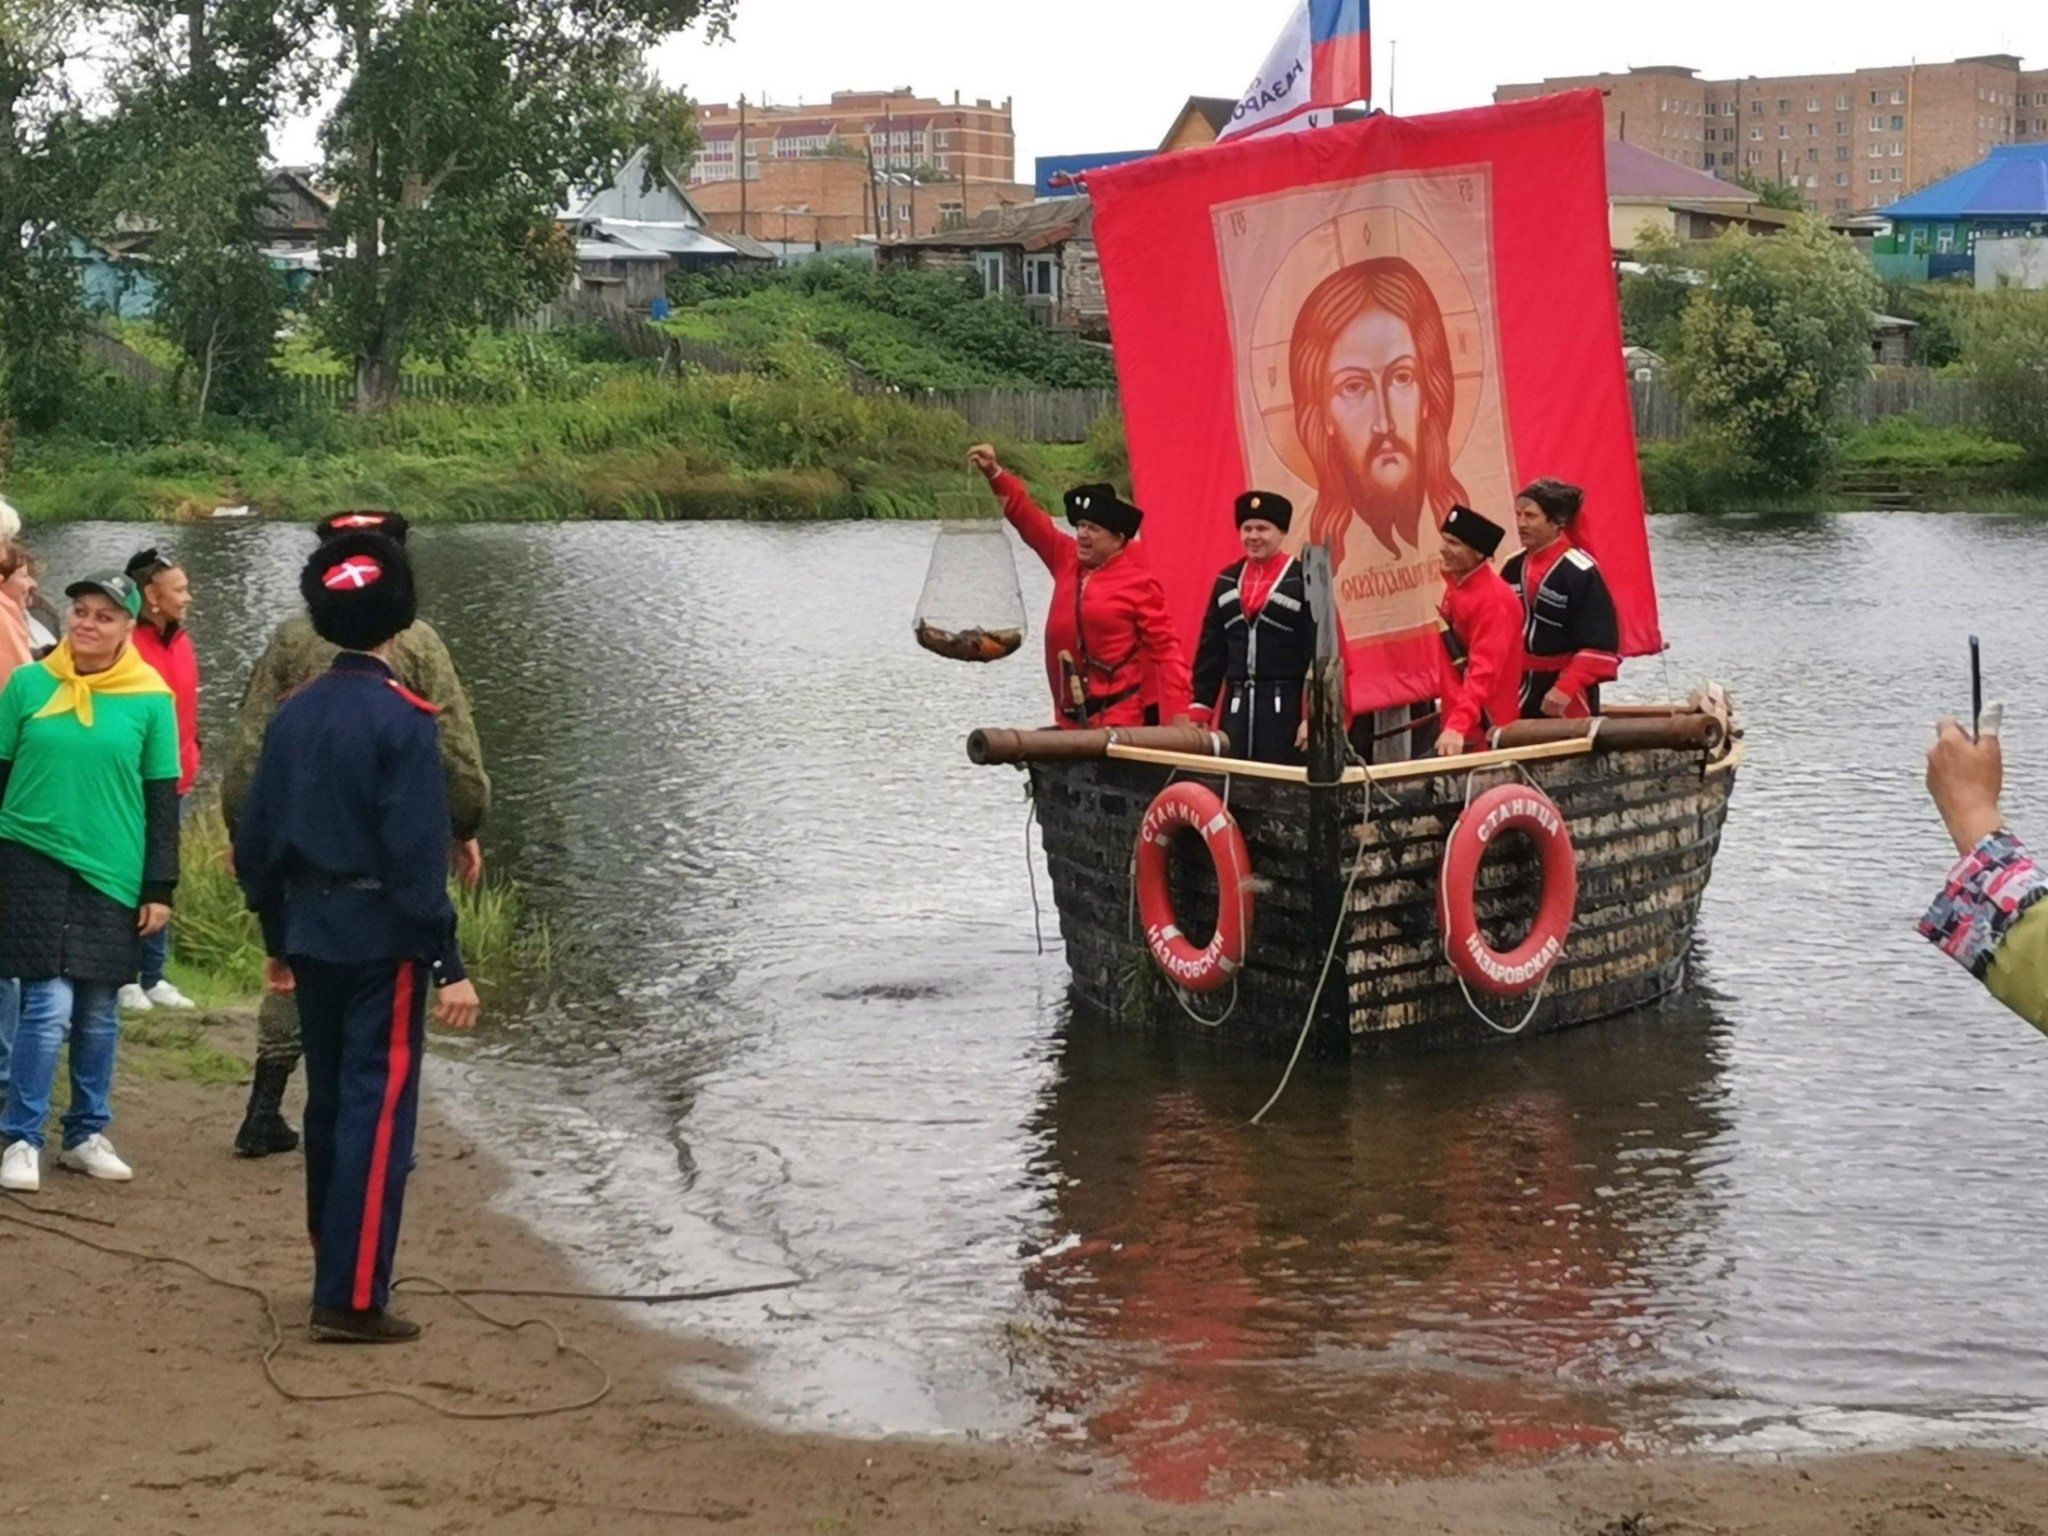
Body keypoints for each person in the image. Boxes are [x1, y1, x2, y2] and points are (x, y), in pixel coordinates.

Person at [234, 532, 481, 1343]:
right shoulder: (405, 721)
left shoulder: (294, 714)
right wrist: (448, 962)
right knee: (379, 1114)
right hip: (382, 938)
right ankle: (352, 1294)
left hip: (309, 929)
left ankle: (331, 1264)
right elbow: (415, 855)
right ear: (396, 620)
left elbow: (259, 841)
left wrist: (276, 935)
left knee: (333, 1104)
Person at [0, 572, 179, 1193]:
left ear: (129, 626)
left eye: (105, 616)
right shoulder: (28, 684)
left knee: (100, 1009)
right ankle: (21, 1136)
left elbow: (162, 798)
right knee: (46, 1004)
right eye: (80, 611)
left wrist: (160, 886)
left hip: (114, 866)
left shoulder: (152, 697)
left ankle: (84, 1134)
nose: (87, 624)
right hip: (29, 856)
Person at [968, 446, 1191, 729]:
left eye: (1093, 529)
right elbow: (1029, 518)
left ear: (1118, 539)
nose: (1083, 535)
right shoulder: (1065, 556)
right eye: (1081, 526)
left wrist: (1180, 715)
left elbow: (1166, 651)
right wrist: (994, 473)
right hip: (1070, 719)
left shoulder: (1139, 584)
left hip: (1120, 721)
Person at [1290, 256, 1469, 566]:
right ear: (1324, 416)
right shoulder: (1326, 554)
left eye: (1402, 378)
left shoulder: (1460, 525)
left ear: (1427, 397)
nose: (1384, 424)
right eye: (1354, 387)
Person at [121, 547, 200, 1013]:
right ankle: (123, 974)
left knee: (161, 875)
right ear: (151, 596)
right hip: (134, 781)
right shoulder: (128, 645)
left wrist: (197, 751)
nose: (188, 598)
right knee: (129, 875)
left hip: (178, 778)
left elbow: (187, 705)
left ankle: (154, 975)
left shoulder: (181, 640)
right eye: (180, 590)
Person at [1188, 491, 1316, 764]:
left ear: (1281, 533)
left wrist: (1311, 717)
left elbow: (1320, 654)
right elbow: (1212, 649)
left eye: (1262, 528)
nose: (1253, 536)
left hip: (1285, 710)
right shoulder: (1227, 580)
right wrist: (1201, 707)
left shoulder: (1304, 579)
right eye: (1247, 529)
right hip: (1237, 709)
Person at [1502, 478, 1621, 720]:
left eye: (1531, 516)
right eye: (1518, 515)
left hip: (1566, 693)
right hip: (1518, 685)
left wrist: (1565, 688)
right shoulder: (1512, 567)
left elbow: (1602, 643)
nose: (1521, 524)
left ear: (1557, 522)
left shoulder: (1580, 571)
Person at [1433, 505, 1525, 757]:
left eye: (1454, 543)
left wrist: (1457, 726)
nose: (1443, 549)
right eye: (1444, 540)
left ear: (1477, 553)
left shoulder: (1494, 601)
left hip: (1484, 728)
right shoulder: (1457, 588)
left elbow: (1483, 671)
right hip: (1461, 725)